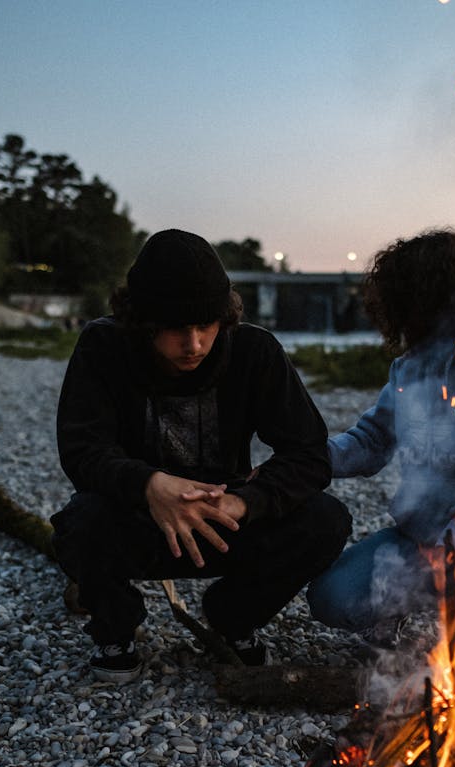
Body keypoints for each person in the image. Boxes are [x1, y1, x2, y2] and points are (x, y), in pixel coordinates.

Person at [51, 229, 351, 683]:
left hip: (223, 521)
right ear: (142, 321)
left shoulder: (254, 351)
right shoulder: (104, 346)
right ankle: (116, 628)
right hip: (140, 518)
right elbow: (82, 449)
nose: (193, 344)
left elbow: (309, 454)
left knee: (326, 519)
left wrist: (247, 501)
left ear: (223, 317)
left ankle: (232, 618)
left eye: (206, 325)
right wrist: (150, 485)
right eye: (175, 328)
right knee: (79, 523)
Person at [307, 229, 455, 695]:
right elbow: (371, 439)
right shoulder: (410, 366)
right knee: (331, 599)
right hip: (418, 540)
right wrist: (305, 460)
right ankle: (395, 617)